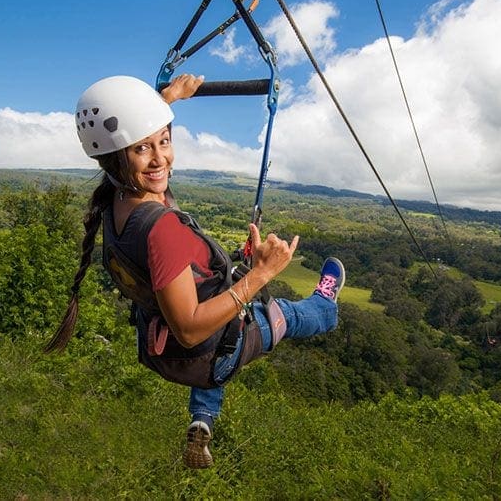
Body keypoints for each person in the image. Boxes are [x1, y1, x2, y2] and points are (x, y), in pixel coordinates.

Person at [46, 74, 345, 469]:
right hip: (200, 347)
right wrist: (262, 274)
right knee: (283, 314)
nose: (160, 159)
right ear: (117, 157)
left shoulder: (116, 203)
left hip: (167, 353)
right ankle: (326, 306)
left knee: (217, 334)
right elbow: (189, 327)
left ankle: (202, 419)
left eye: (164, 142)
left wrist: (166, 98)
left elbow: (138, 144)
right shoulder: (161, 230)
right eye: (142, 149)